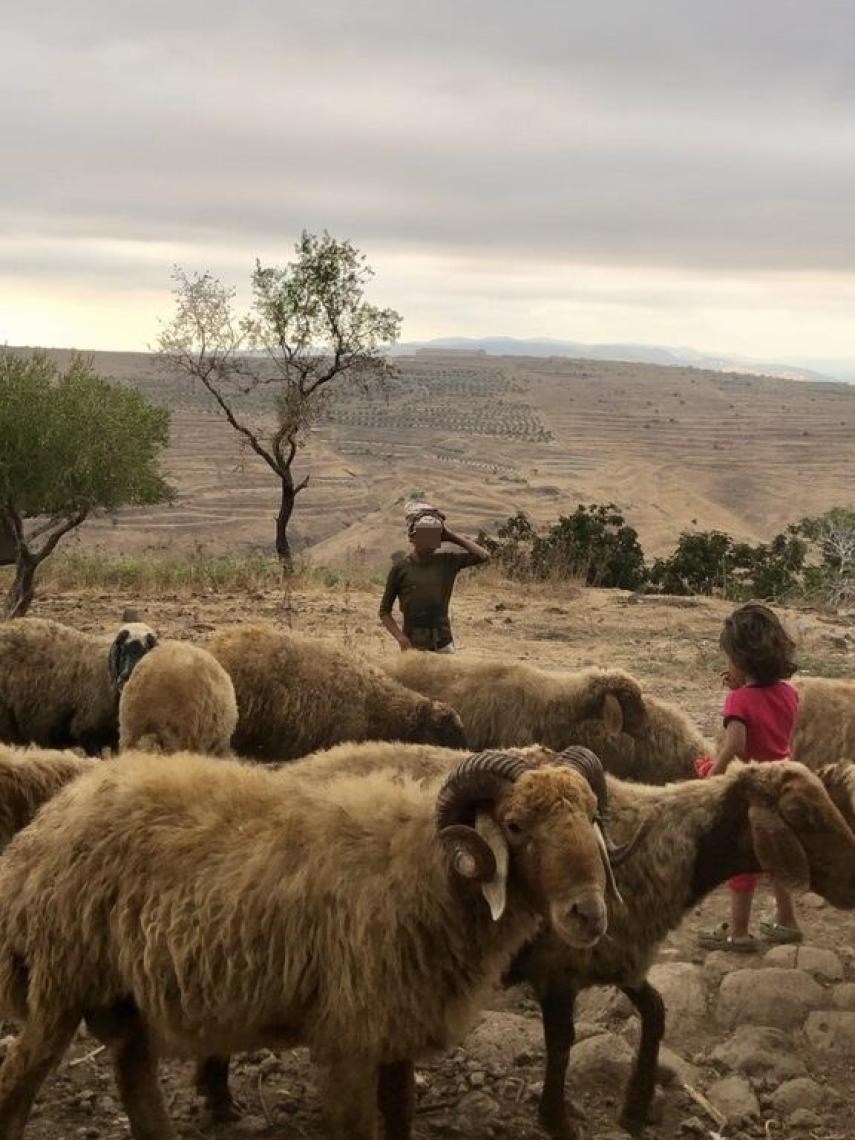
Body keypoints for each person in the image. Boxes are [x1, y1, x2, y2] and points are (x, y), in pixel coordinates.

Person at [697, 602, 801, 953]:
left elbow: (738, 744)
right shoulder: (790, 693)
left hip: (751, 788)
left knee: (742, 864)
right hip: (782, 781)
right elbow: (775, 724)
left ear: (740, 661)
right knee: (775, 859)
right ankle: (787, 922)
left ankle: (738, 933)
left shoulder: (737, 701)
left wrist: (714, 771)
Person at [379, 509, 490, 653]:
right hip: (412, 643)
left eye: (433, 538)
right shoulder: (400, 569)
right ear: (413, 538)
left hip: (443, 642)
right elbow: (384, 611)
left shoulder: (447, 562)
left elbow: (484, 556)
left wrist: (450, 536)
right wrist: (400, 638)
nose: (429, 543)